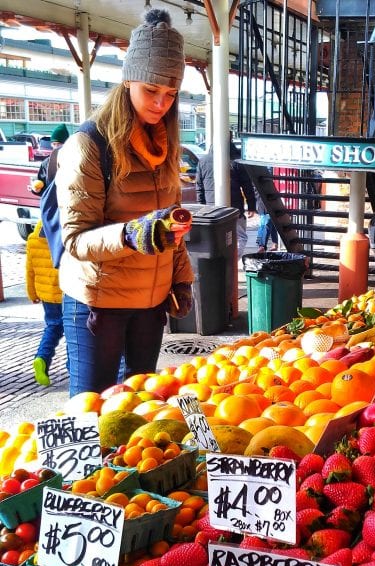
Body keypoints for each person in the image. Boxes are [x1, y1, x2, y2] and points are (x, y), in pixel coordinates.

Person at [54, 9, 194, 397]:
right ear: (128, 79)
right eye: (152, 90)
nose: (161, 103)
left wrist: (181, 278)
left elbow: (171, 228)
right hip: (98, 304)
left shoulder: (164, 146)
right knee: (90, 411)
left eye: (171, 94)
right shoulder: (89, 145)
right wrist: (133, 235)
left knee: (137, 409)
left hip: (150, 306)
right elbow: (76, 241)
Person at [196, 135, 257, 257]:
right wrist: (251, 205)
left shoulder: (203, 161)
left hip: (210, 209)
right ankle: (231, 261)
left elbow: (199, 187)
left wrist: (201, 207)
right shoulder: (236, 161)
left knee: (215, 237)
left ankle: (220, 261)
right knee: (240, 237)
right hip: (234, 208)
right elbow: (247, 186)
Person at [25, 220, 65, 387]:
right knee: (73, 332)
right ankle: (73, 369)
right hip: (66, 293)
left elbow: (30, 271)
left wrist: (32, 294)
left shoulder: (33, 239)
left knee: (53, 327)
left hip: (47, 295)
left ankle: (42, 357)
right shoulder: (64, 236)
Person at [31, 124, 70, 196]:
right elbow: (41, 183)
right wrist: (36, 190)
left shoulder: (73, 161)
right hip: (51, 203)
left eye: (59, 144)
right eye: (54, 144)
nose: (56, 147)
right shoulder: (46, 163)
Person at [256, 185, 279, 253]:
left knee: (265, 224)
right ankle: (273, 243)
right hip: (264, 203)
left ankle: (262, 245)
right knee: (270, 222)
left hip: (265, 203)